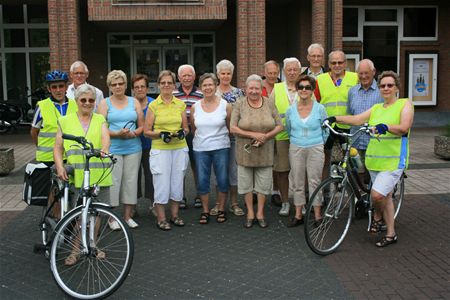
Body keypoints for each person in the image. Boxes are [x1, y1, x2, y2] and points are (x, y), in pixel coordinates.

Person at [326, 71, 414, 247]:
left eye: (390, 85)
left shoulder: (405, 104)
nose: (386, 88)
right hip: (374, 161)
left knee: (377, 195)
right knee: (386, 196)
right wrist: (335, 118)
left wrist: (386, 126)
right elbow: (357, 119)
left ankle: (377, 217)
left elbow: (404, 127)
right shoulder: (377, 108)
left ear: (397, 87)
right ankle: (391, 234)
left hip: (393, 160)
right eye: (383, 85)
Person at [53, 84, 111, 266]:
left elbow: (105, 138)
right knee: (80, 215)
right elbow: (58, 147)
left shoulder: (100, 118)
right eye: (83, 100)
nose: (87, 103)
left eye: (91, 100)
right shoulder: (65, 120)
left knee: (97, 214)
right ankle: (76, 250)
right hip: (78, 175)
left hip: (99, 173)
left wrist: (104, 149)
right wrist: (60, 166)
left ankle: (93, 245)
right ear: (76, 101)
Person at [231, 74, 283, 228]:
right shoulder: (239, 104)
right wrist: (253, 134)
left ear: (262, 89)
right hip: (245, 151)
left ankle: (260, 212)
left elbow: (279, 126)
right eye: (251, 88)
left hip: (265, 151)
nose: (254, 91)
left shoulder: (270, 103)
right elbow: (233, 127)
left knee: (263, 184)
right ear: (246, 89)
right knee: (246, 184)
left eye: (257, 88)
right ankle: (250, 212)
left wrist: (266, 136)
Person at [97, 70, 144, 230]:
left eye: (121, 83)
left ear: (125, 85)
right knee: (113, 183)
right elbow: (100, 128)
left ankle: (127, 216)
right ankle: (112, 218)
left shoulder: (134, 102)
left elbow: (142, 126)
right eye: (114, 84)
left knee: (130, 182)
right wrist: (117, 134)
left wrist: (133, 133)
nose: (117, 86)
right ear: (109, 86)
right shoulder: (104, 103)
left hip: (133, 147)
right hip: (113, 148)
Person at [144, 70, 190, 231]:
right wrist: (160, 134)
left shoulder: (180, 104)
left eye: (169, 83)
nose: (166, 85)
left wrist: (182, 133)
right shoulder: (153, 105)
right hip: (161, 150)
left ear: (174, 85)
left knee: (177, 182)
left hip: (179, 148)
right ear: (158, 85)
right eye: (163, 83)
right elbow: (146, 131)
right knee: (162, 183)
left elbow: (186, 128)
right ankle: (162, 218)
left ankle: (175, 215)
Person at [285, 75, 329, 227]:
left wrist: (318, 143)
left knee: (315, 181)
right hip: (296, 147)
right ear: (297, 90)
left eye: (307, 87)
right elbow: (289, 129)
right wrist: (298, 140)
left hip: (315, 147)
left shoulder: (320, 109)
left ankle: (317, 215)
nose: (304, 90)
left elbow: (326, 130)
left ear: (312, 90)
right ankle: (298, 214)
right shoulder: (290, 110)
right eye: (301, 87)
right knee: (297, 181)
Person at [191, 73, 231, 224]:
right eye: (204, 85)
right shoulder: (195, 107)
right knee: (202, 180)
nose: (207, 88)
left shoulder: (225, 105)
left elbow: (229, 126)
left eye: (210, 85)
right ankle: (205, 210)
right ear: (201, 88)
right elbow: (194, 128)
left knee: (222, 178)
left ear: (215, 86)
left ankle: (221, 209)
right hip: (201, 148)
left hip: (221, 147)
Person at [314, 50, 358, 185]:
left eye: (340, 62)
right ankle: (325, 193)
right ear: (328, 64)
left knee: (351, 160)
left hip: (348, 125)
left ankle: (355, 194)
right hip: (328, 126)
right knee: (324, 160)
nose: (337, 65)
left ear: (345, 63)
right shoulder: (320, 80)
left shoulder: (354, 78)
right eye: (334, 63)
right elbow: (315, 103)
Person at [269, 57, 302, 216]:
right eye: (289, 69)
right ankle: (285, 202)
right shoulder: (277, 88)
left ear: (300, 71)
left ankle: (299, 203)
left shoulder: (305, 86)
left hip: (301, 137)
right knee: (282, 171)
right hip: (281, 136)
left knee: (300, 171)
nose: (292, 72)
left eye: (295, 69)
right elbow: (270, 111)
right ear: (284, 71)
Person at [213, 59, 245, 217]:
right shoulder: (212, 92)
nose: (225, 76)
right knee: (219, 171)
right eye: (222, 73)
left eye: (228, 73)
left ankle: (234, 203)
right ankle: (219, 203)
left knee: (233, 171)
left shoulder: (239, 93)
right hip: (217, 138)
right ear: (217, 74)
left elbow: (243, 114)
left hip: (233, 138)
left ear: (232, 74)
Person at [347, 59, 384, 183]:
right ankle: (360, 200)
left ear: (373, 72)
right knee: (357, 175)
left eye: (366, 73)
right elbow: (350, 114)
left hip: (375, 142)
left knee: (373, 177)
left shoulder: (382, 91)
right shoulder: (352, 91)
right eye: (360, 73)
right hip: (356, 141)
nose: (363, 76)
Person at [173, 64, 203, 209]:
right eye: (183, 75)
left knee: (197, 166)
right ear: (179, 78)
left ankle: (199, 195)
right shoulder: (173, 94)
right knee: (180, 167)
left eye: (189, 75)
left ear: (194, 76)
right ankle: (181, 196)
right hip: (178, 135)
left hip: (196, 134)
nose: (186, 78)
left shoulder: (201, 93)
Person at [31, 70, 77, 165]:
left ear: (66, 87)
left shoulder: (75, 105)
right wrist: (40, 147)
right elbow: (34, 131)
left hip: (70, 157)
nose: (58, 90)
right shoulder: (42, 106)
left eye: (61, 86)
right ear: (49, 89)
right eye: (54, 87)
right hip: (47, 158)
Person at [131, 74, 155, 214]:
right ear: (133, 89)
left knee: (151, 176)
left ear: (147, 88)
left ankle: (153, 204)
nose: (140, 89)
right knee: (133, 177)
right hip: (133, 147)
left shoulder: (154, 104)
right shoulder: (129, 104)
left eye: (142, 86)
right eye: (136, 87)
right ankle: (132, 206)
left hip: (150, 146)